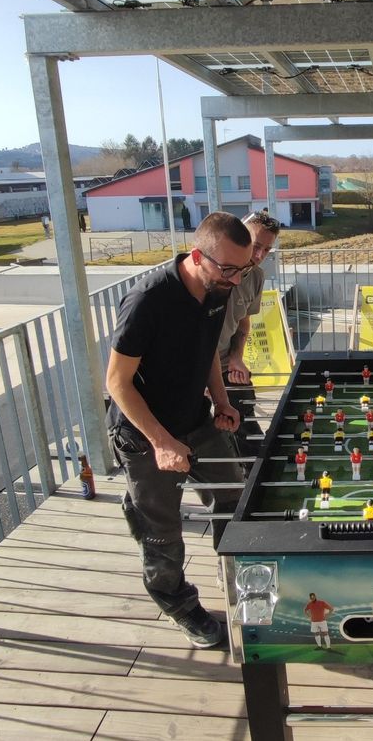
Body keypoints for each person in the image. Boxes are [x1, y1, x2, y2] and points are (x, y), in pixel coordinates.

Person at [105, 211, 254, 649]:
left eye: (243, 269)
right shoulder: (148, 300)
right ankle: (177, 603)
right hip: (144, 434)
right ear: (197, 256)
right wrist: (161, 442)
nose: (236, 279)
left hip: (196, 417)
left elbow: (207, 349)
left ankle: (243, 579)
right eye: (228, 269)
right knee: (162, 531)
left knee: (235, 497)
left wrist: (222, 401)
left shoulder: (219, 288)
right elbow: (116, 382)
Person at [216, 211, 281, 456]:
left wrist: (236, 357)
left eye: (266, 250)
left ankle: (252, 470)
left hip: (225, 365)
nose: (259, 255)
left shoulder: (255, 277)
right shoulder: (212, 272)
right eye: (255, 246)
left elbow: (243, 324)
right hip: (194, 367)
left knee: (246, 418)